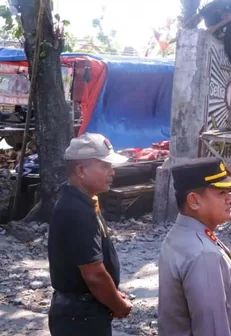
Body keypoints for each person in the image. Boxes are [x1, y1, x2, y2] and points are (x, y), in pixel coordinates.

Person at [48, 133, 131, 336]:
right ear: (81, 170)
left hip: (82, 310)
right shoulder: (76, 210)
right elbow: (94, 275)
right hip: (80, 317)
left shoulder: (83, 201)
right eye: (104, 166)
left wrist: (111, 294)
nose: (112, 172)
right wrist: (119, 305)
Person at [157, 158, 231, 335]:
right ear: (194, 201)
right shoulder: (203, 254)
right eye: (221, 193)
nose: (230, 198)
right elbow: (213, 329)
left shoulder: (181, 234)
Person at [186, 0, 231, 84]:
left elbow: (228, 18)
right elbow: (198, 16)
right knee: (206, 14)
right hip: (214, 31)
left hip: (229, 31)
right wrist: (187, 24)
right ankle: (218, 33)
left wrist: (214, 27)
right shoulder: (210, 5)